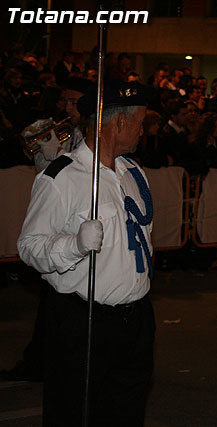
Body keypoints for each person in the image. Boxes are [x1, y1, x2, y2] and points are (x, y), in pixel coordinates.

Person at [17, 81, 155, 426]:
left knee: (126, 412)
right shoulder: (63, 177)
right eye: (139, 121)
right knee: (73, 413)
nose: (143, 129)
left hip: (136, 319)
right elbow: (30, 246)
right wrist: (74, 245)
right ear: (118, 124)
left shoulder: (133, 173)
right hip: (84, 322)